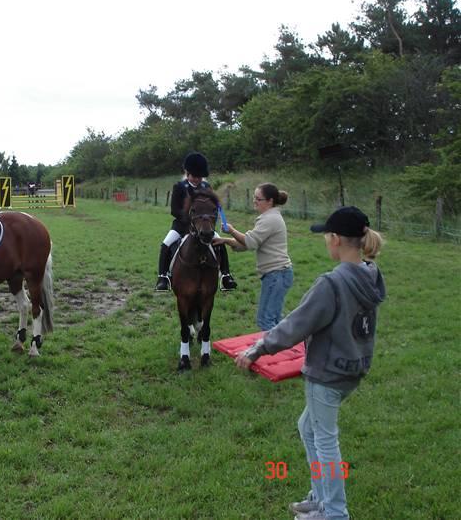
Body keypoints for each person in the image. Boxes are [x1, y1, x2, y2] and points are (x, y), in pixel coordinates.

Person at [236, 206, 386, 520]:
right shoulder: (369, 274)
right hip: (352, 370)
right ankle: (320, 498)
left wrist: (256, 349)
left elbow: (294, 326)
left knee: (325, 439)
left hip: (328, 374)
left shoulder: (331, 284)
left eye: (326, 237)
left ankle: (333, 512)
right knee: (308, 427)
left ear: (335, 239)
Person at [154, 151, 238, 292]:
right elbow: (174, 210)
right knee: (166, 244)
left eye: (199, 177)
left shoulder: (206, 188)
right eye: (194, 176)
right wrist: (190, 220)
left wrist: (212, 221)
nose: (197, 180)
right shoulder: (179, 187)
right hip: (182, 225)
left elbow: (214, 207)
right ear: (187, 173)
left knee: (220, 242)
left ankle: (226, 275)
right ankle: (163, 277)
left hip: (204, 226)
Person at [213, 183, 292, 330]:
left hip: (277, 275)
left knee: (266, 320)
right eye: (254, 197)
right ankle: (288, 345)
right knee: (274, 318)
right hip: (279, 275)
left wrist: (231, 230)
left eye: (258, 198)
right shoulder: (271, 216)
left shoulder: (269, 219)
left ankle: (275, 351)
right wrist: (225, 241)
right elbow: (248, 243)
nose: (254, 201)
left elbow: (250, 242)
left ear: (270, 201)